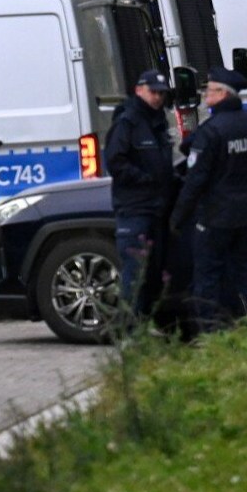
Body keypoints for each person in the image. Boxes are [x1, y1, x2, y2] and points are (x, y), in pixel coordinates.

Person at [169, 67, 247, 329]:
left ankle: (210, 331)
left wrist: (177, 217)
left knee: (207, 276)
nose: (205, 95)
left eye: (210, 90)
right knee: (246, 271)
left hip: (216, 218)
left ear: (223, 93)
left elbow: (195, 180)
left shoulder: (211, 130)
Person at [103, 69, 175, 316]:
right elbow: (115, 162)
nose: (158, 97)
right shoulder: (128, 122)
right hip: (135, 208)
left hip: (157, 208)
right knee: (135, 276)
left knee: (153, 274)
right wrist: (145, 180)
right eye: (153, 92)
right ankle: (131, 329)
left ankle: (147, 324)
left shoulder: (158, 122)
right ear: (139, 90)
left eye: (161, 94)